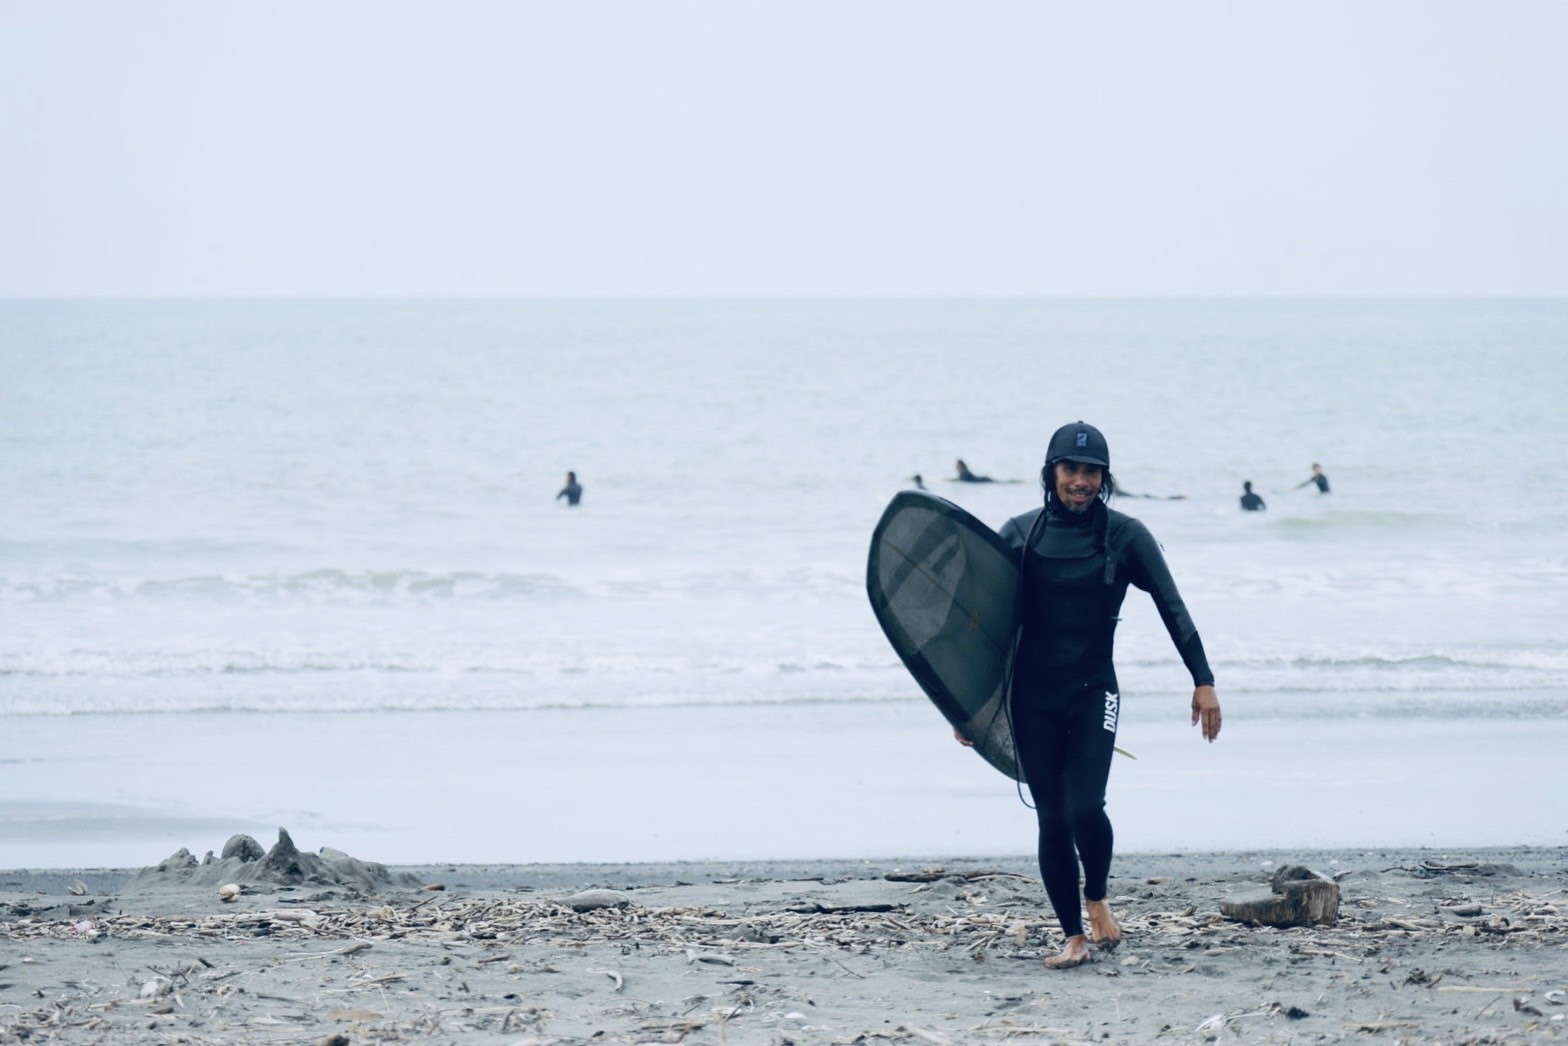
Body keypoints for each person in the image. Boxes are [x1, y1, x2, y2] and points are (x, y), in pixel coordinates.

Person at [965, 421, 1221, 970]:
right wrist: (968, 705)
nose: (1080, 481)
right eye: (1070, 469)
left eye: (1091, 471)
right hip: (1029, 696)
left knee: (1085, 806)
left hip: (1092, 692)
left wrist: (1203, 680)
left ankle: (1097, 895)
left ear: (1104, 478)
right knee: (1052, 818)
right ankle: (1072, 936)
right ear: (1051, 473)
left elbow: (1172, 606)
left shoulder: (1126, 536)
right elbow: (981, 626)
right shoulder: (1019, 534)